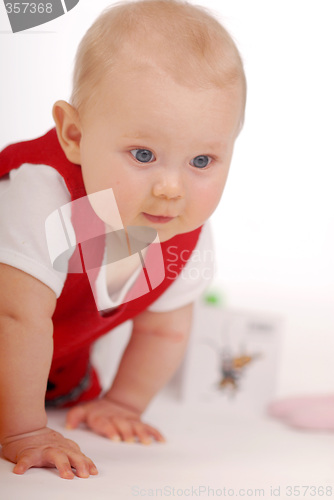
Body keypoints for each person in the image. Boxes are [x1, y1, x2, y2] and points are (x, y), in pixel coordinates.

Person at [0, 0, 246, 479]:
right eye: (143, 153)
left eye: (201, 161)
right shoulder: (42, 193)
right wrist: (24, 432)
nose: (171, 188)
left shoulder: (182, 227)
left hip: (54, 378)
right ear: (74, 134)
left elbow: (164, 330)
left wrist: (122, 403)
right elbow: (15, 317)